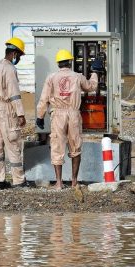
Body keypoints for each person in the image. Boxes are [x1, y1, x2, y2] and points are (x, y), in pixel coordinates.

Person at [36, 49, 98, 190]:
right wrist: (95, 72)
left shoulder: (51, 77)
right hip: (74, 114)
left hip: (58, 115)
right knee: (75, 147)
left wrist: (40, 116)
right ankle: (74, 182)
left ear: (58, 63)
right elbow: (91, 86)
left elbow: (44, 99)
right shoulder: (78, 76)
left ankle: (59, 183)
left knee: (57, 146)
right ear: (70, 62)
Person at [0, 37, 27, 191]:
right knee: (13, 142)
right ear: (14, 54)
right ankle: (18, 180)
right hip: (5, 108)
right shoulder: (10, 69)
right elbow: (14, 94)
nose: (18, 58)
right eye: (19, 55)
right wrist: (20, 114)